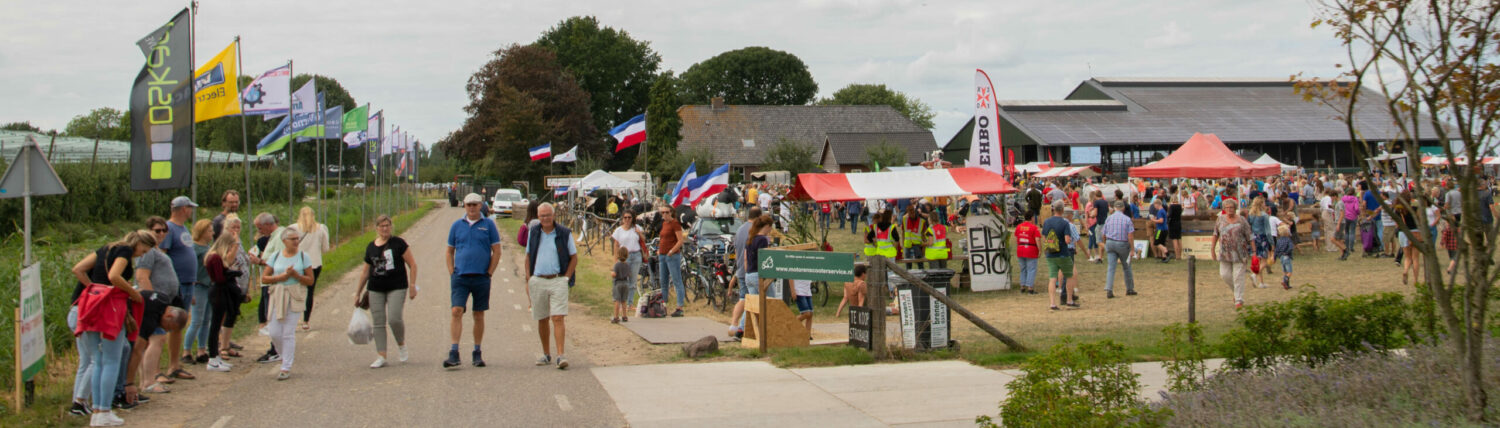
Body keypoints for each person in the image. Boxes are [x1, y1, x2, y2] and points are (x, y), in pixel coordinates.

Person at [68, 230, 152, 423]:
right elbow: (115, 276)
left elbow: (78, 268)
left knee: (97, 361)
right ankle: (104, 409)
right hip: (110, 309)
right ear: (139, 243)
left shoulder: (106, 248)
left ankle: (97, 412)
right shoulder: (124, 250)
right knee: (111, 360)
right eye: (145, 249)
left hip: (91, 307)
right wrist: (133, 293)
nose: (143, 254)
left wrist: (93, 289)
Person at [445, 193, 502, 368]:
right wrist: (452, 271)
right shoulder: (456, 226)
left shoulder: (488, 225)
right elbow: (449, 251)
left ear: (480, 206)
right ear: (464, 206)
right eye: (468, 205)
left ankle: (477, 351)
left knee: (478, 314)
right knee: (456, 310)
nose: (471, 208)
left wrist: (490, 272)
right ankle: (454, 351)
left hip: (481, 277)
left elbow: (497, 251)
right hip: (461, 277)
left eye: (475, 205)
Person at [136, 217, 189, 394]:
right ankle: (149, 380)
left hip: (161, 303)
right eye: (157, 230)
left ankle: (147, 380)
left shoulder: (158, 251)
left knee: (153, 341)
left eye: (164, 230)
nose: (161, 234)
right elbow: (142, 276)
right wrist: (153, 300)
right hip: (153, 306)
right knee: (156, 340)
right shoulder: (149, 251)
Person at [357, 215, 418, 368]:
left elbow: (413, 264)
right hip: (376, 288)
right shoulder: (371, 247)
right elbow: (365, 272)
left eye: (387, 225)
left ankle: (401, 344)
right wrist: (358, 292)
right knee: (378, 322)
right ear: (376, 228)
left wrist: (412, 286)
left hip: (397, 286)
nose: (384, 229)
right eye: (381, 226)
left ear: (391, 227)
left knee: (394, 318)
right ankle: (381, 355)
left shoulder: (398, 243)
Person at [525, 202, 578, 370]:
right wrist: (529, 277)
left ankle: (561, 355)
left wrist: (566, 278)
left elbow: (574, 257)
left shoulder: (564, 233)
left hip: (557, 279)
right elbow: (527, 255)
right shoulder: (533, 232)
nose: (545, 219)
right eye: (542, 216)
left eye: (548, 215)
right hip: (538, 279)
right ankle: (546, 353)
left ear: (553, 215)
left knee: (558, 317)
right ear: (538, 217)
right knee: (542, 318)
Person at [259, 228, 314, 380]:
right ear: (284, 241)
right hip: (278, 294)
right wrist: (281, 277)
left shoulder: (304, 257)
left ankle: (286, 366)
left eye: (297, 238)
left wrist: (296, 275)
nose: (296, 242)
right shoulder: (276, 256)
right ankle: (284, 355)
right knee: (275, 332)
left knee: (288, 332)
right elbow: (265, 278)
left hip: (295, 295)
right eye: (292, 239)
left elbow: (310, 280)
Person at [161, 197, 198, 382]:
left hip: (187, 283)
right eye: (190, 208)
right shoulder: (168, 229)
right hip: (176, 285)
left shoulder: (183, 228)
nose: (191, 211)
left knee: (180, 324)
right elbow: (163, 257)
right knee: (172, 323)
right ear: (183, 209)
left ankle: (175, 364)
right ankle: (170, 365)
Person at [249, 212, 286, 364]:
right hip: (269, 281)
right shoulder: (274, 236)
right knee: (269, 316)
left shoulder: (279, 237)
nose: (259, 231)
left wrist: (259, 261)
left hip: (273, 283)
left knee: (272, 317)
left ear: (268, 225)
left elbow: (279, 261)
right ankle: (275, 348)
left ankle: (276, 350)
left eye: (260, 228)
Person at [288, 206, 332, 331]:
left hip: (297, 263)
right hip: (314, 263)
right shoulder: (321, 228)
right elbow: (325, 248)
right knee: (309, 292)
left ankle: (293, 319)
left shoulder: (292, 228)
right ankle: (306, 321)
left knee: (295, 291)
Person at [1211, 198, 1254, 309]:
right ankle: (1236, 292)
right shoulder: (1220, 219)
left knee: (1238, 277)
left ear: (1235, 208)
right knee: (1225, 275)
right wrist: (1212, 249)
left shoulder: (1242, 220)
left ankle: (1238, 300)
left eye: (1232, 207)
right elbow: (1215, 234)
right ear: (1224, 209)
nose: (1229, 209)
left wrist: (1254, 251)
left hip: (1240, 253)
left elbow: (1250, 235)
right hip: (1225, 253)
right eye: (1227, 207)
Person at [183, 219, 215, 366]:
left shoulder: (208, 247)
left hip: (208, 285)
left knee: (206, 320)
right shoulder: (194, 248)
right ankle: (186, 351)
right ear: (202, 232)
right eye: (209, 231)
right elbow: (190, 268)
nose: (212, 233)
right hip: (198, 286)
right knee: (196, 320)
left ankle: (202, 350)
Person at [728, 207, 762, 338]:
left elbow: (736, 251)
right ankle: (738, 326)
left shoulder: (740, 229)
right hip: (751, 269)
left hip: (741, 269)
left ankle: (735, 324)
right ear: (758, 217)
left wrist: (738, 268)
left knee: (744, 298)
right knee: (747, 299)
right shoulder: (754, 230)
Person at [1041, 201, 1076, 310]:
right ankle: (1069, 300)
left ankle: (1052, 303)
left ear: (1053, 209)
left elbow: (1044, 237)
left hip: (1051, 254)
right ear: (1062, 210)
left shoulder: (1047, 222)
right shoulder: (1065, 223)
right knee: (1069, 276)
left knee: (1052, 278)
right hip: (1063, 253)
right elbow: (1067, 240)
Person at [655, 205, 688, 317]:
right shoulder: (664, 224)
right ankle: (663, 306)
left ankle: (679, 307)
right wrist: (660, 250)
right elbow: (663, 238)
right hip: (663, 255)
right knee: (663, 281)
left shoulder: (675, 224)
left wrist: (671, 251)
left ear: (671, 213)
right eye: (662, 212)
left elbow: (680, 241)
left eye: (666, 212)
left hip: (672, 255)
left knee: (676, 280)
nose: (664, 214)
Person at [610, 209, 645, 315]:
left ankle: (629, 303)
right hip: (624, 256)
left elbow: (643, 240)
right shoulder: (619, 230)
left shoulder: (637, 228)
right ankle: (619, 301)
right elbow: (616, 244)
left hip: (636, 255)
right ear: (622, 219)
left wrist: (639, 233)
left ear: (632, 218)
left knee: (632, 280)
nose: (627, 220)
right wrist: (615, 259)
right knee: (621, 279)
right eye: (625, 217)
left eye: (629, 217)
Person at [1101, 200, 1137, 298]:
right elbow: (1130, 235)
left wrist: (1106, 243)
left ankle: (1109, 289)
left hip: (1110, 242)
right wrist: (1132, 249)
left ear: (1114, 208)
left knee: (1111, 267)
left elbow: (1103, 233)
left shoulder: (1109, 218)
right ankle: (1129, 288)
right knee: (1127, 267)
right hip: (1122, 244)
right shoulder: (1127, 219)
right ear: (1123, 208)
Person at [1014, 210, 1041, 294]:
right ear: (1032, 218)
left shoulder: (1018, 227)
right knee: (1031, 269)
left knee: (1023, 269)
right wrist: (1040, 250)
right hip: (1031, 249)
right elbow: (1037, 239)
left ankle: (1022, 286)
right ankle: (1030, 287)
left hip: (1020, 249)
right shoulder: (1034, 228)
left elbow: (1016, 239)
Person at [611, 247, 631, 323]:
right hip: (626, 283)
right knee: (624, 301)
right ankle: (624, 316)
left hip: (618, 283)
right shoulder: (628, 265)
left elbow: (614, 274)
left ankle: (616, 317)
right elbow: (629, 274)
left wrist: (612, 273)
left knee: (617, 300)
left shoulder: (617, 265)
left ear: (618, 255)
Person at [1274, 224, 1295, 290]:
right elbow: (1291, 247)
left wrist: (1274, 257)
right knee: (1289, 272)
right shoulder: (1288, 240)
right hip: (1286, 256)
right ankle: (1284, 281)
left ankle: (1287, 285)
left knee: (1285, 272)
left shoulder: (1278, 241)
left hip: (1281, 257)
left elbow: (1276, 250)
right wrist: (1287, 252)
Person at [1168, 194, 1184, 261]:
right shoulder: (1180, 206)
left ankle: (1177, 256)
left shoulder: (1171, 206)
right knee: (1179, 239)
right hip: (1178, 223)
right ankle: (1180, 255)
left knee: (1174, 240)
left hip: (1173, 224)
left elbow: (1170, 215)